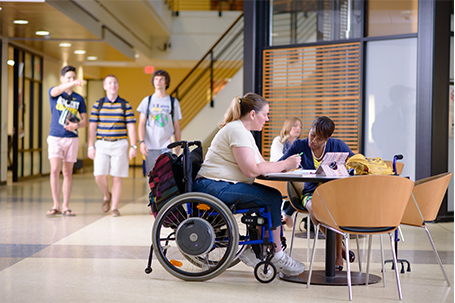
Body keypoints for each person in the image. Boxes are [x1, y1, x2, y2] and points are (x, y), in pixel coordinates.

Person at [193, 93, 305, 276]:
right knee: (271, 197)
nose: (267, 119)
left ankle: (255, 250)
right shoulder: (236, 131)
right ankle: (277, 255)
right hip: (212, 186)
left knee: (272, 197)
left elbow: (261, 165)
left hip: (219, 184)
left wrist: (284, 167)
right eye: (265, 114)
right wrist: (285, 164)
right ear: (253, 114)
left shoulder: (243, 132)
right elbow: (251, 170)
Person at [280, 116, 355, 271]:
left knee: (333, 211)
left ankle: (337, 255)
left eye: (319, 139)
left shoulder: (337, 145)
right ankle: (339, 248)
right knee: (317, 211)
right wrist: (287, 165)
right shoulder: (300, 145)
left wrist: (348, 170)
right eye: (312, 134)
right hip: (310, 192)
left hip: (333, 192)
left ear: (326, 139)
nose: (313, 141)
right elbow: (280, 164)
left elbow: (356, 163)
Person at [87, 74, 137, 217]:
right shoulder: (98, 104)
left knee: (117, 176)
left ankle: (114, 207)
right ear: (105, 86)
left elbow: (131, 127)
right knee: (99, 175)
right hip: (101, 143)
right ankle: (106, 195)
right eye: (109, 83)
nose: (112, 85)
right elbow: (92, 127)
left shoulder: (125, 104)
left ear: (118, 85)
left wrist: (134, 146)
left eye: (115, 82)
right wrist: (90, 146)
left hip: (120, 144)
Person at [46, 65, 88, 217]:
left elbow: (85, 121)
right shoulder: (55, 93)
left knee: (68, 172)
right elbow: (55, 90)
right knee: (55, 170)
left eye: (73, 77)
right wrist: (72, 83)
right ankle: (55, 205)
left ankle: (65, 206)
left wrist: (76, 125)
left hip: (71, 138)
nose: (72, 80)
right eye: (68, 77)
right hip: (55, 136)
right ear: (62, 78)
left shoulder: (79, 98)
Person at [137, 69, 182, 176]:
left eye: (161, 79)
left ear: (166, 83)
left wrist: (178, 143)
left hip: (166, 145)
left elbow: (176, 125)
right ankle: (155, 193)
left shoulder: (173, 102)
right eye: (156, 79)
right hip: (150, 145)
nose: (158, 81)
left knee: (166, 175)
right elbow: (141, 124)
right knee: (152, 176)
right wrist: (141, 142)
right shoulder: (147, 101)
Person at [269, 117, 302, 227]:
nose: (298, 129)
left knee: (304, 189)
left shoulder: (300, 144)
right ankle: (286, 214)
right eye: (295, 125)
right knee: (297, 188)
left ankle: (286, 214)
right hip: (279, 177)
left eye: (300, 127)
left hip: (293, 177)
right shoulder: (278, 141)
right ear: (288, 127)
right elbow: (277, 159)